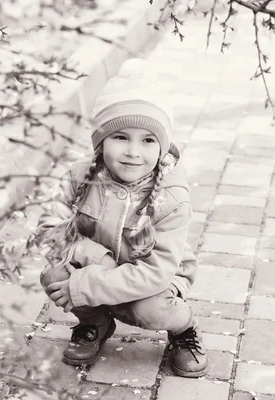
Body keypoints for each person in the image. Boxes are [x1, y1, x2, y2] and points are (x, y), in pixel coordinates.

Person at [35, 58, 207, 378]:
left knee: (151, 310)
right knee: (54, 277)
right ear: (101, 142)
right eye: (120, 137)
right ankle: (96, 324)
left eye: (148, 140)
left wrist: (86, 284)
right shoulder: (79, 176)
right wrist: (95, 258)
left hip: (155, 281)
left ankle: (184, 328)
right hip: (100, 268)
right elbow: (48, 228)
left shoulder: (172, 199)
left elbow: (155, 274)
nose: (133, 152)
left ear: (162, 145)